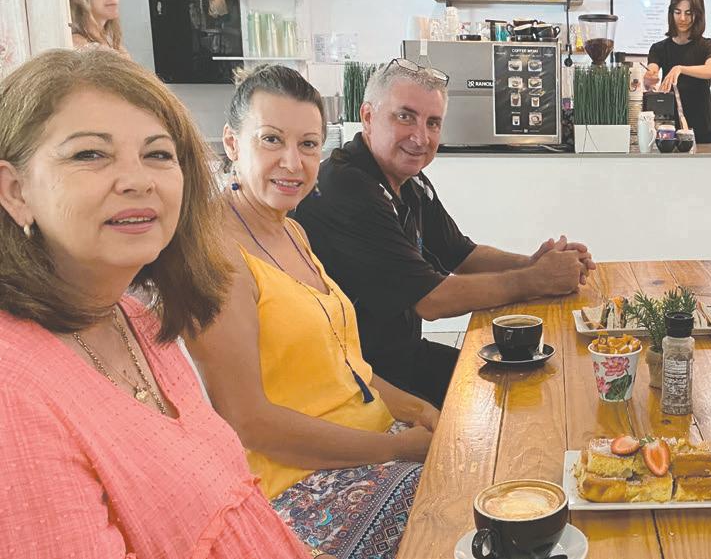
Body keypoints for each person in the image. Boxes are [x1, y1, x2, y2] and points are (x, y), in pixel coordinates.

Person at [0, 49, 328, 558]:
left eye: (157, 154)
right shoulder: (12, 391)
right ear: (15, 191)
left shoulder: (135, 318)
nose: (138, 180)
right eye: (90, 155)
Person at [183, 65, 434, 559]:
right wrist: (398, 448)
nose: (292, 163)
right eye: (271, 140)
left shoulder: (291, 230)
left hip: (370, 444)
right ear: (232, 143)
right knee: (468, 512)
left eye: (308, 144)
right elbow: (249, 422)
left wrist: (422, 411)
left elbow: (348, 369)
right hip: (298, 486)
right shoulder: (216, 254)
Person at [294, 59, 593, 407]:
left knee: (531, 381)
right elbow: (432, 301)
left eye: (432, 123)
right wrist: (536, 280)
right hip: (356, 380)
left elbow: (462, 254)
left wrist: (533, 263)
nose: (421, 138)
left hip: (401, 359)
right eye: (405, 117)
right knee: (509, 399)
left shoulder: (410, 181)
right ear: (368, 116)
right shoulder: (347, 187)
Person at [644, 0, 711, 143]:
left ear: (698, 14)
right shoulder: (659, 48)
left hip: (703, 129)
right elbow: (651, 72)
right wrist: (649, 78)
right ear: (671, 13)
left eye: (688, 13)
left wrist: (680, 68)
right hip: (670, 129)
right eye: (677, 12)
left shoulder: (708, 46)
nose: (683, 18)